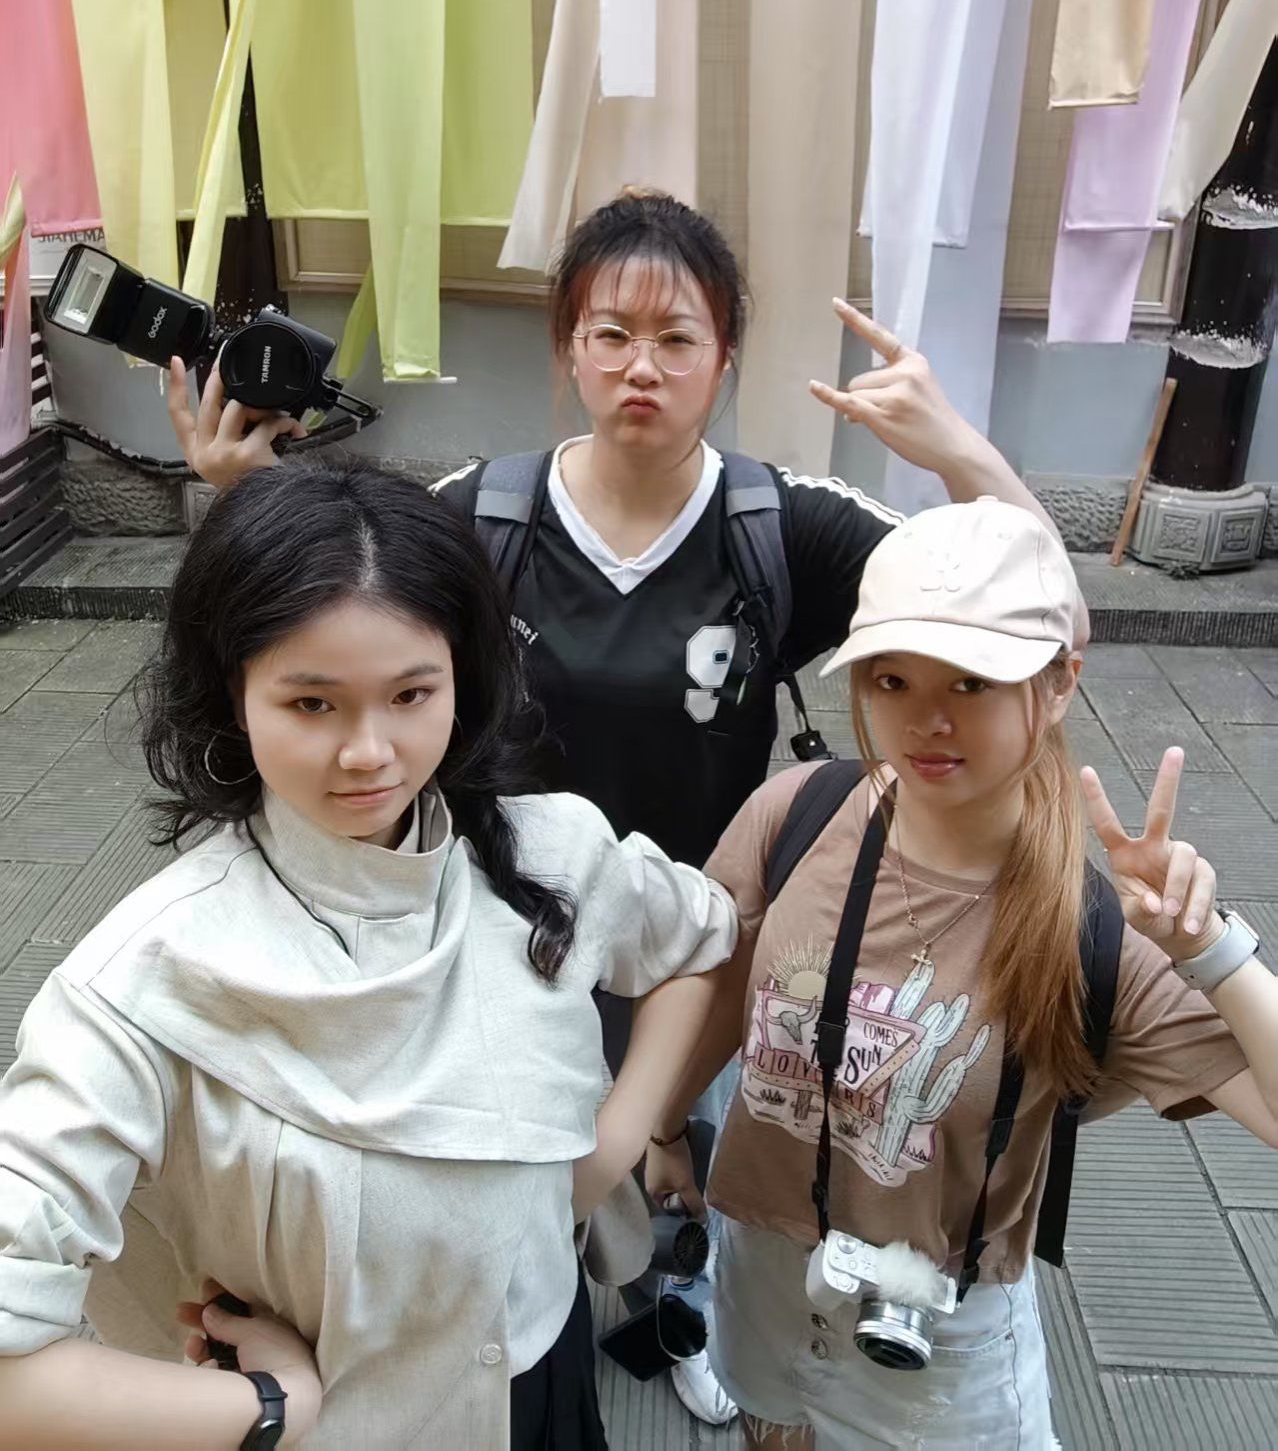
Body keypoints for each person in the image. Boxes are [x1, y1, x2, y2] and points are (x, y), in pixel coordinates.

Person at [167, 189, 1089, 1424]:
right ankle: (511, 1308)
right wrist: (247, 495)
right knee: (520, 1134)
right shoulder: (487, 514)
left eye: (676, 336)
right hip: (509, 914)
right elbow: (343, 609)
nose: (640, 365)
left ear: (725, 356)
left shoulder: (781, 523)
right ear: (568, 349)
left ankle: (680, 1295)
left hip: (707, 925)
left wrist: (956, 448)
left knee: (694, 1137)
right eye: (609, 333)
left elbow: (1035, 614)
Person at [0, 464, 744, 1451]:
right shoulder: (142, 983)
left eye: (410, 693)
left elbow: (700, 939)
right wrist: (266, 1409)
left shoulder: (552, 852)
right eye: (313, 704)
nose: (369, 752)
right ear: (233, 696)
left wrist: (615, 1139)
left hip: (544, 1370)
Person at [645, 499, 1278, 1449]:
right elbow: (723, 985)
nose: (926, 720)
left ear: (1060, 684)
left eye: (974, 681)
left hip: (935, 1337)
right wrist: (663, 1129)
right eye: (891, 678)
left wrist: (1209, 948)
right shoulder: (800, 813)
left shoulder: (1086, 931)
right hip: (764, 1267)